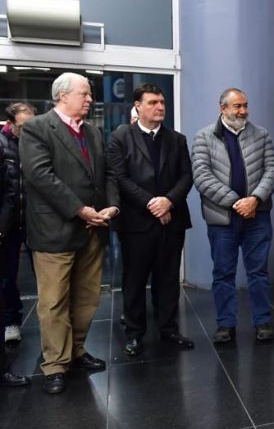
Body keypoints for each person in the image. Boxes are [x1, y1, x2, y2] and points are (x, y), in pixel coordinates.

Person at [21, 72, 120, 394]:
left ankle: (76, 351)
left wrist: (111, 207)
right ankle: (54, 365)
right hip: (55, 230)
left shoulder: (91, 132)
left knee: (87, 298)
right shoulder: (37, 128)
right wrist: (80, 209)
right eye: (85, 94)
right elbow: (40, 176)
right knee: (53, 302)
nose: (90, 99)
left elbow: (105, 174)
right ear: (63, 96)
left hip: (93, 230)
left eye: (89, 94)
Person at [106, 83, 194, 356]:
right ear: (138, 106)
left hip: (172, 219)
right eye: (153, 102)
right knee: (134, 279)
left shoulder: (176, 139)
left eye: (162, 102)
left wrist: (168, 200)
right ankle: (134, 333)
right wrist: (151, 203)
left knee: (168, 279)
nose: (160, 107)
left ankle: (168, 329)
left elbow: (186, 176)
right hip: (136, 223)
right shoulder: (121, 137)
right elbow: (120, 178)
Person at [192, 88, 274, 344]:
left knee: (259, 272)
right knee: (223, 273)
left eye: (245, 105)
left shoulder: (261, 134)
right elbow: (202, 177)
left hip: (257, 216)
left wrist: (255, 199)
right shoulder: (203, 137)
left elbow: (272, 170)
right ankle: (225, 325)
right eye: (237, 106)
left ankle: (262, 321)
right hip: (222, 219)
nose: (243, 111)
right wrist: (236, 202)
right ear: (223, 108)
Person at [0, 102, 35, 343]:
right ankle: (12, 320)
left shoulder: (37, 144)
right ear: (10, 124)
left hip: (35, 220)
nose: (28, 130)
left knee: (46, 275)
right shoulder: (2, 145)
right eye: (23, 126)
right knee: (8, 275)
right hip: (9, 222)